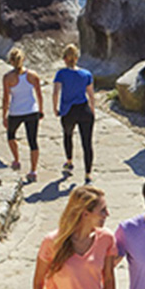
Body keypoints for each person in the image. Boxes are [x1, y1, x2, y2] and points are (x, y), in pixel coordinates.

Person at [53, 44, 97, 184]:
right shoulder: (86, 74)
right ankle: (88, 174)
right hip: (84, 109)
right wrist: (92, 110)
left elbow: (56, 92)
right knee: (87, 143)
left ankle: (69, 161)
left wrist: (55, 108)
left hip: (68, 110)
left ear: (65, 59)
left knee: (68, 135)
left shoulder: (61, 74)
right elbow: (91, 95)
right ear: (77, 58)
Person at [1, 47, 44, 182]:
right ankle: (33, 170)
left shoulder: (7, 78)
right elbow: (39, 95)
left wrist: (4, 115)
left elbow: (6, 98)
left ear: (11, 61)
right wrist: (41, 110)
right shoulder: (33, 75)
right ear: (23, 59)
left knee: (11, 135)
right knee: (33, 141)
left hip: (15, 112)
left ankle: (16, 160)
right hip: (32, 110)